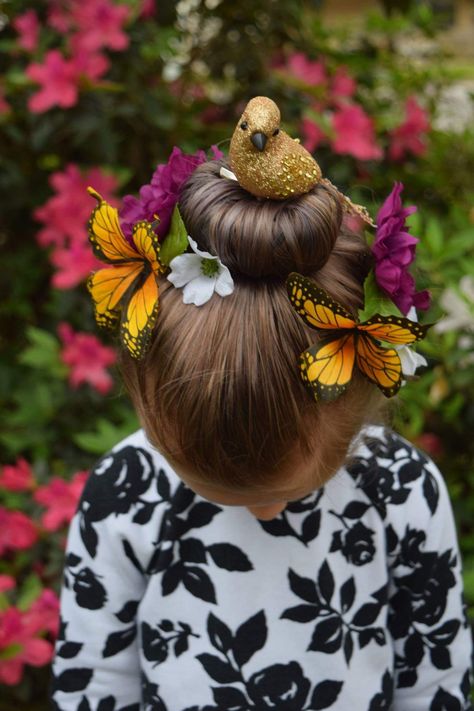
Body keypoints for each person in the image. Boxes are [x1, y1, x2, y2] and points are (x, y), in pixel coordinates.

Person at [50, 98, 472, 711]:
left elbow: (434, 679)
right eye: (226, 491)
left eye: (284, 488)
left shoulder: (400, 492)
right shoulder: (127, 491)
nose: (268, 511)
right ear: (151, 401)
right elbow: (93, 680)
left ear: (351, 399)